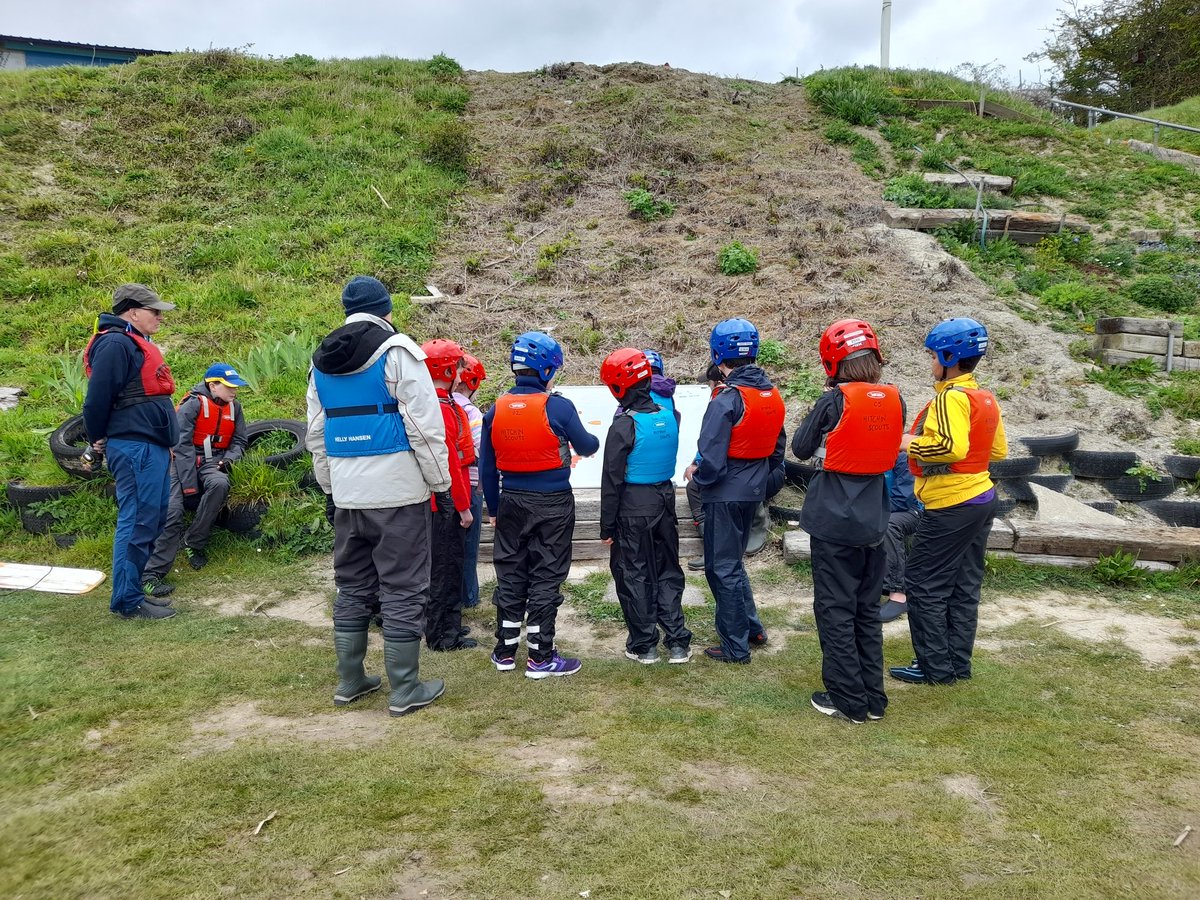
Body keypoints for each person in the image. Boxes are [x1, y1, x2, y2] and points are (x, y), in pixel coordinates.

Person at [307, 275, 453, 715]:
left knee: (352, 585)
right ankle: (405, 688)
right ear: (386, 309)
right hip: (397, 492)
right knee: (403, 586)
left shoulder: (320, 361)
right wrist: (441, 484)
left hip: (349, 493)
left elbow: (317, 434)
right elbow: (426, 429)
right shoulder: (399, 352)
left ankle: (351, 681)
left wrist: (332, 487)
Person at [791, 320, 905, 724]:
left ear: (832, 361)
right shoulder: (895, 398)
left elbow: (800, 448)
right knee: (864, 610)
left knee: (835, 610)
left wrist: (821, 408)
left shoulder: (834, 400)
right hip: (875, 516)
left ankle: (847, 699)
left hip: (835, 519)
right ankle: (873, 698)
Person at [890, 317, 1007, 686]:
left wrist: (908, 443)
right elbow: (999, 450)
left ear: (948, 356)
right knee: (964, 584)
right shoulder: (984, 397)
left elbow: (950, 446)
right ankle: (957, 663)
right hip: (981, 497)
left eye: (932, 356)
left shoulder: (950, 397)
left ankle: (934, 668)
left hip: (951, 504)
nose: (931, 364)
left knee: (922, 582)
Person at [479, 331, 600, 679]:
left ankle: (504, 651)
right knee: (546, 575)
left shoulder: (495, 409)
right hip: (553, 504)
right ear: (547, 370)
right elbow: (588, 445)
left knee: (511, 574)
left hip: (511, 502)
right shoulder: (557, 406)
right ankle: (540, 658)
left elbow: (487, 466)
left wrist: (494, 510)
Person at [688, 318, 786, 665]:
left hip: (725, 492)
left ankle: (735, 646)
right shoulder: (771, 394)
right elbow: (777, 452)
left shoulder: (726, 399)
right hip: (753, 488)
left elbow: (711, 456)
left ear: (718, 354)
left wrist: (700, 481)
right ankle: (752, 628)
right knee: (733, 564)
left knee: (721, 568)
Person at [82, 283, 179, 621]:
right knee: (137, 521)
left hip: (150, 447)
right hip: (135, 448)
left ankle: (133, 592)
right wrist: (98, 438)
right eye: (154, 311)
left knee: (149, 520)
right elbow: (96, 399)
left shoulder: (131, 343)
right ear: (132, 311)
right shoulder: (114, 343)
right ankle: (127, 600)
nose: (159, 317)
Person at [599, 348, 692, 665]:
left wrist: (606, 526)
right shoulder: (670, 415)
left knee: (634, 574)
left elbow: (611, 481)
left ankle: (644, 644)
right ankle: (678, 642)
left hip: (632, 507)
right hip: (665, 501)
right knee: (668, 569)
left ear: (618, 388)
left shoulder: (624, 425)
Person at [142, 363, 250, 598]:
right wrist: (189, 485)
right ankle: (151, 574)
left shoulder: (236, 407)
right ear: (212, 385)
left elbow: (240, 441)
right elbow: (180, 446)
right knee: (172, 511)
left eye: (236, 387)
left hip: (213, 461)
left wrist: (229, 460)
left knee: (220, 484)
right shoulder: (192, 404)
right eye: (230, 387)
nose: (234, 392)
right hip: (176, 461)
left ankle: (194, 543)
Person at [421, 339, 477, 652]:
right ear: (446, 369)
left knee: (441, 567)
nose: (460, 373)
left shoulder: (431, 403)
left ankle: (446, 623)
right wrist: (464, 507)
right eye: (456, 367)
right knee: (446, 567)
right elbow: (450, 463)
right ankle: (443, 634)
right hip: (445, 503)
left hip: (435, 501)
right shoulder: (442, 409)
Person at [453, 354, 487, 610]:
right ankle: (468, 596)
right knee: (468, 547)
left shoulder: (433, 404)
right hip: (470, 486)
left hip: (439, 488)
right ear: (470, 382)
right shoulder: (471, 411)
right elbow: (481, 451)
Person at [685, 364, 725, 572]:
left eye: (709, 381)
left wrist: (696, 466)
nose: (708, 386)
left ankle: (711, 550)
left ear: (717, 381)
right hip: (753, 470)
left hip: (728, 471)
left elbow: (711, 441)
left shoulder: (721, 400)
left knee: (695, 487)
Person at [878, 451, 920, 623]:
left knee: (888, 526)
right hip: (879, 510)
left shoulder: (903, 457)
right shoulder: (868, 454)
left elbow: (903, 500)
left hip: (911, 512)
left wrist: (871, 511)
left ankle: (898, 594)